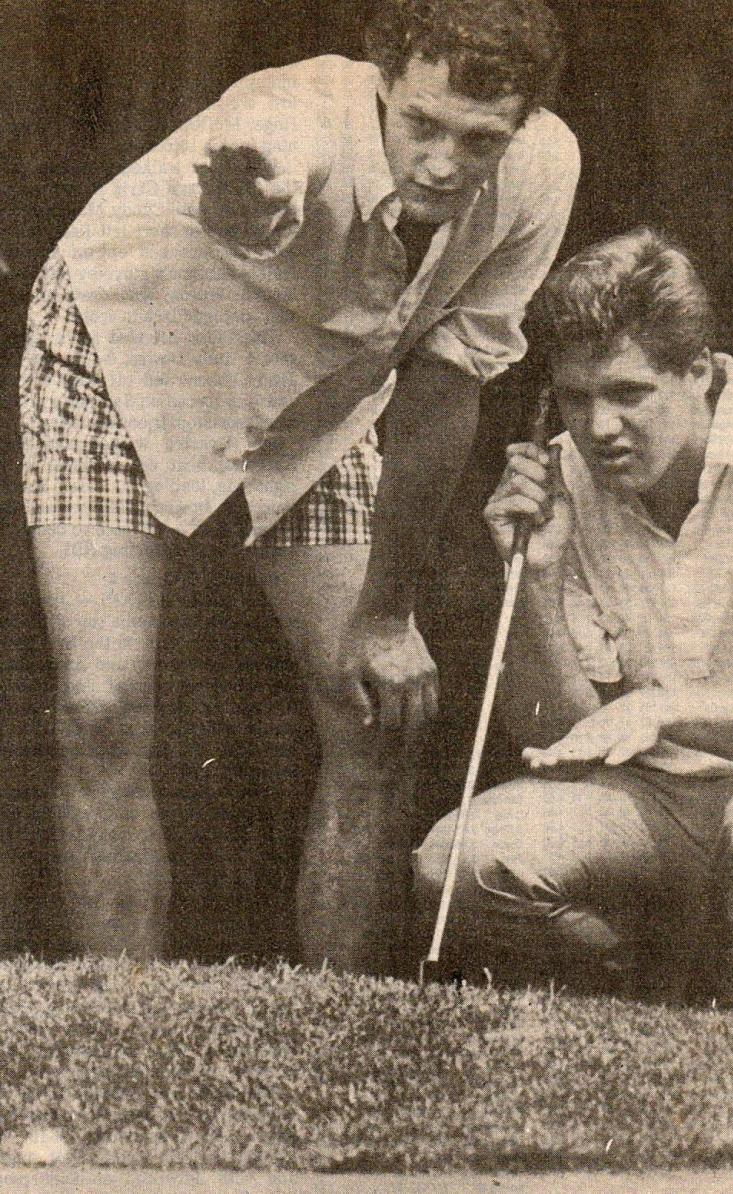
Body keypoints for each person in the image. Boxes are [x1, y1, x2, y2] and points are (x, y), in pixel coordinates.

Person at [18, 0, 578, 969]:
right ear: (382, 84)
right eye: (423, 125)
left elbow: (446, 390)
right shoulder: (293, 114)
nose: (444, 163)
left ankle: (327, 1021)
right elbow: (269, 154)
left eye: (479, 139)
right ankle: (123, 1025)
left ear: (522, 126)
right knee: (102, 704)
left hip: (312, 398)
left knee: (372, 707)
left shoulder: (542, 172)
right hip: (120, 355)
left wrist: (388, 614)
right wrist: (257, 196)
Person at [414, 227, 733, 1031]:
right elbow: (561, 738)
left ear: (699, 373)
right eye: (578, 397)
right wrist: (539, 577)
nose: (600, 428)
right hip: (659, 799)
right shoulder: (567, 477)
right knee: (462, 861)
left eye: (629, 392)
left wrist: (663, 707)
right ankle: (649, 1029)